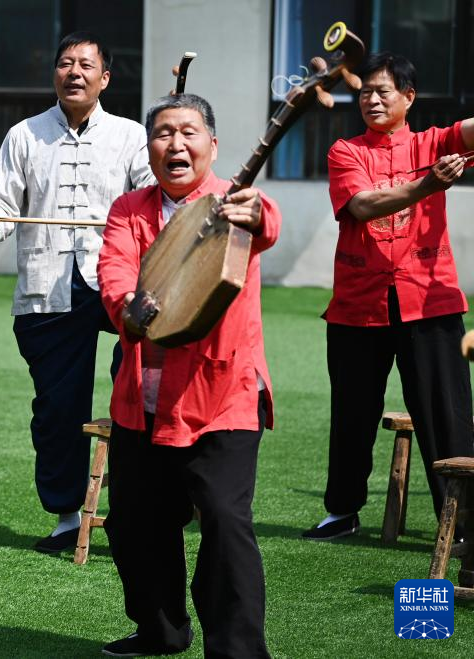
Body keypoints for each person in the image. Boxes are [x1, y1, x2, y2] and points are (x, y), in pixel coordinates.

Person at [97, 93, 279, 657]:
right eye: (163, 133)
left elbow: (264, 221)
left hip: (221, 396)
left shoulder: (233, 202)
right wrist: (129, 304)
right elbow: (115, 273)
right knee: (133, 525)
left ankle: (238, 651)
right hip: (142, 400)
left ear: (212, 145)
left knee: (225, 521)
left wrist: (256, 215)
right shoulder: (129, 209)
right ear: (148, 147)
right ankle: (161, 630)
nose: (175, 143)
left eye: (189, 132)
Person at [0, 30, 151, 552]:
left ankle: (139, 504)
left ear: (105, 77)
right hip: (47, 286)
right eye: (65, 64)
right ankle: (66, 516)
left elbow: (150, 200)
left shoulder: (131, 135)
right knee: (57, 407)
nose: (74, 72)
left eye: (85, 65)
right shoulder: (24, 135)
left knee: (140, 383)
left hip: (118, 278)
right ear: (55, 74)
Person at [303, 52, 474, 541]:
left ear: (409, 98)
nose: (373, 100)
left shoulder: (434, 141)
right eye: (365, 93)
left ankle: (461, 518)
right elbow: (360, 204)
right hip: (359, 303)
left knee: (447, 413)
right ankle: (342, 511)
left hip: (430, 299)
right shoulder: (346, 151)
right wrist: (427, 183)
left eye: (384, 92)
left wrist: (429, 172)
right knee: (352, 412)